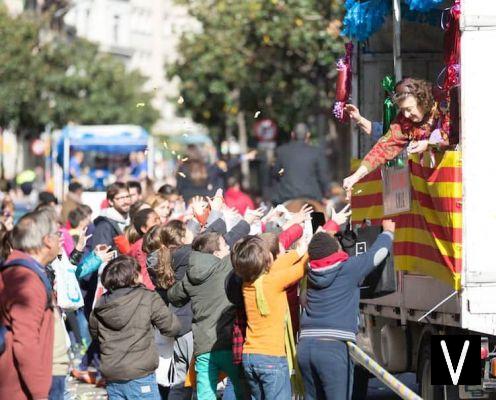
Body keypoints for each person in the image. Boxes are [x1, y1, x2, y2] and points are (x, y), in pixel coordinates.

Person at [297, 219, 395, 399]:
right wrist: (388, 232)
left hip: (305, 347)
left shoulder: (310, 274)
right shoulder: (348, 268)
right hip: (333, 348)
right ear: (335, 252)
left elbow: (303, 300)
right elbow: (377, 254)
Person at [167, 211, 256, 399]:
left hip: (203, 345)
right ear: (216, 252)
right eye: (224, 245)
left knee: (206, 394)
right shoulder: (226, 265)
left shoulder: (191, 276)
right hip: (229, 341)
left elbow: (174, 296)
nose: (228, 247)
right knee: (241, 391)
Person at [89, 255, 181, 399]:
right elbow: (171, 327)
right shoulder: (147, 297)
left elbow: (94, 333)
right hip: (140, 373)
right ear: (134, 277)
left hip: (113, 374)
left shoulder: (101, 303)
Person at [231, 236, 309, 399]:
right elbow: (301, 269)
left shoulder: (247, 283)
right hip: (271, 358)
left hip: (249, 357)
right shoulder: (274, 281)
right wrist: (309, 249)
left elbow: (278, 266)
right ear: (267, 259)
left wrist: (296, 252)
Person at [343, 78, 450, 192]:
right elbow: (384, 148)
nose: (406, 115)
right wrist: (355, 176)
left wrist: (429, 144)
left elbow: (454, 137)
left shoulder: (444, 105)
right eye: (402, 110)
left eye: (409, 109)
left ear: (422, 100)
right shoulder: (403, 121)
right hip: (428, 191)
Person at [0, 209, 61, 400]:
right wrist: (40, 393)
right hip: (19, 389)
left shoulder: (16, 269)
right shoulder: (26, 279)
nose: (61, 240)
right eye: (58, 235)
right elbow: (25, 342)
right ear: (47, 240)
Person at [272, 123, 331, 204]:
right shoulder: (316, 152)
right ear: (308, 135)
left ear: (292, 135)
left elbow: (275, 174)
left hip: (286, 197)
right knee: (327, 214)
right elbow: (323, 177)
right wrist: (326, 194)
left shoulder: (281, 151)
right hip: (313, 197)